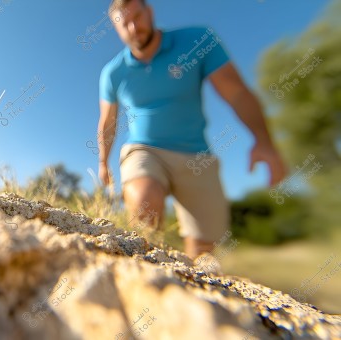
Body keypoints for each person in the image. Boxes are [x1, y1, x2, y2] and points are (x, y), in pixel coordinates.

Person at [97, 0, 287, 260]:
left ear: (150, 13)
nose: (133, 27)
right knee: (144, 200)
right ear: (116, 29)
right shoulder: (112, 73)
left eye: (137, 17)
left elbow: (236, 92)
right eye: (123, 23)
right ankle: (147, 276)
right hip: (145, 149)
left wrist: (263, 141)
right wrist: (103, 163)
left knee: (203, 254)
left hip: (197, 154)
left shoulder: (197, 40)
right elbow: (107, 122)